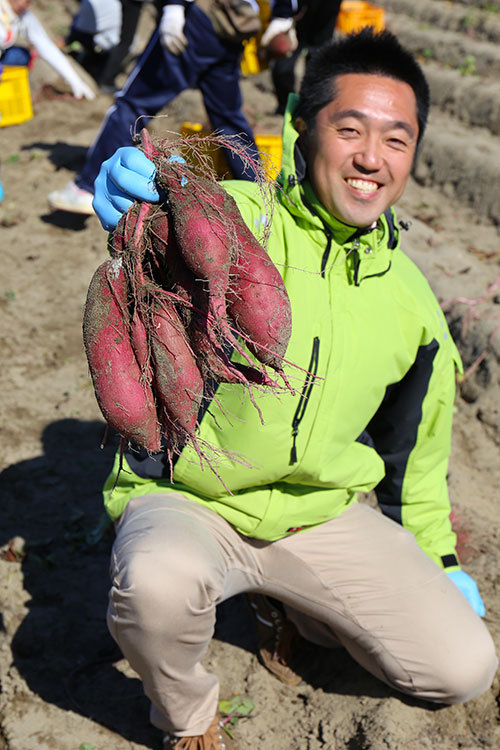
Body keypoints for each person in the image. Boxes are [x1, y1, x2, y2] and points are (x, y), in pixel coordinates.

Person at [90, 29, 497, 749]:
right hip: (192, 497)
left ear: (413, 155)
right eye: (350, 130)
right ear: (302, 131)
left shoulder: (413, 305)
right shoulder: (243, 217)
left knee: (460, 667)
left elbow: (416, 459)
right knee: (153, 587)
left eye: (396, 140)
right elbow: (196, 208)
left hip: (317, 512)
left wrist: (439, 560)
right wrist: (146, 203)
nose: (372, 158)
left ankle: (295, 609)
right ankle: (189, 720)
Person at [46, 0, 298, 215]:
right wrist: (283, 14)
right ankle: (261, 196)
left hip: (196, 20)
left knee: (133, 103)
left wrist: (175, 7)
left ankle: (87, 186)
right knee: (228, 119)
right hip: (234, 28)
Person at [0, 0, 95, 99]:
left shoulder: (23, 16)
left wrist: (75, 81)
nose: (26, 6)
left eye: (29, 2)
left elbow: (46, 47)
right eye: (25, 1)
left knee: (22, 56)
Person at [265, 0, 341, 115]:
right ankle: (285, 107)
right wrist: (282, 15)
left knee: (317, 68)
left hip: (323, 21)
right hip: (295, 21)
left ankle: (310, 109)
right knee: (282, 69)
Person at [66, 0, 155, 94]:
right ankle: (106, 81)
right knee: (126, 42)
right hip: (130, 5)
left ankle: (89, 61)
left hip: (82, 32)